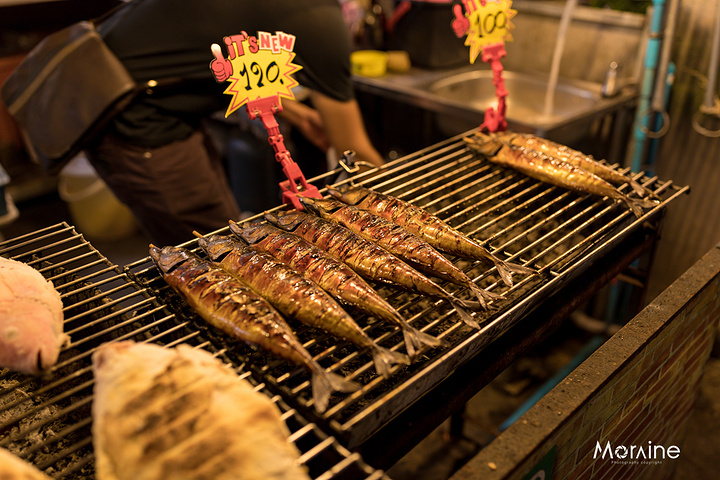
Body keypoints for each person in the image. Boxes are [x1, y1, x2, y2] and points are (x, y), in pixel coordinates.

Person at [86, 0, 385, 246]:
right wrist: (397, 197)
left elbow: (238, 57)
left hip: (137, 83)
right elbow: (353, 149)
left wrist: (299, 116)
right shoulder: (320, 21)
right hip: (125, 107)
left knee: (223, 227)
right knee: (215, 249)